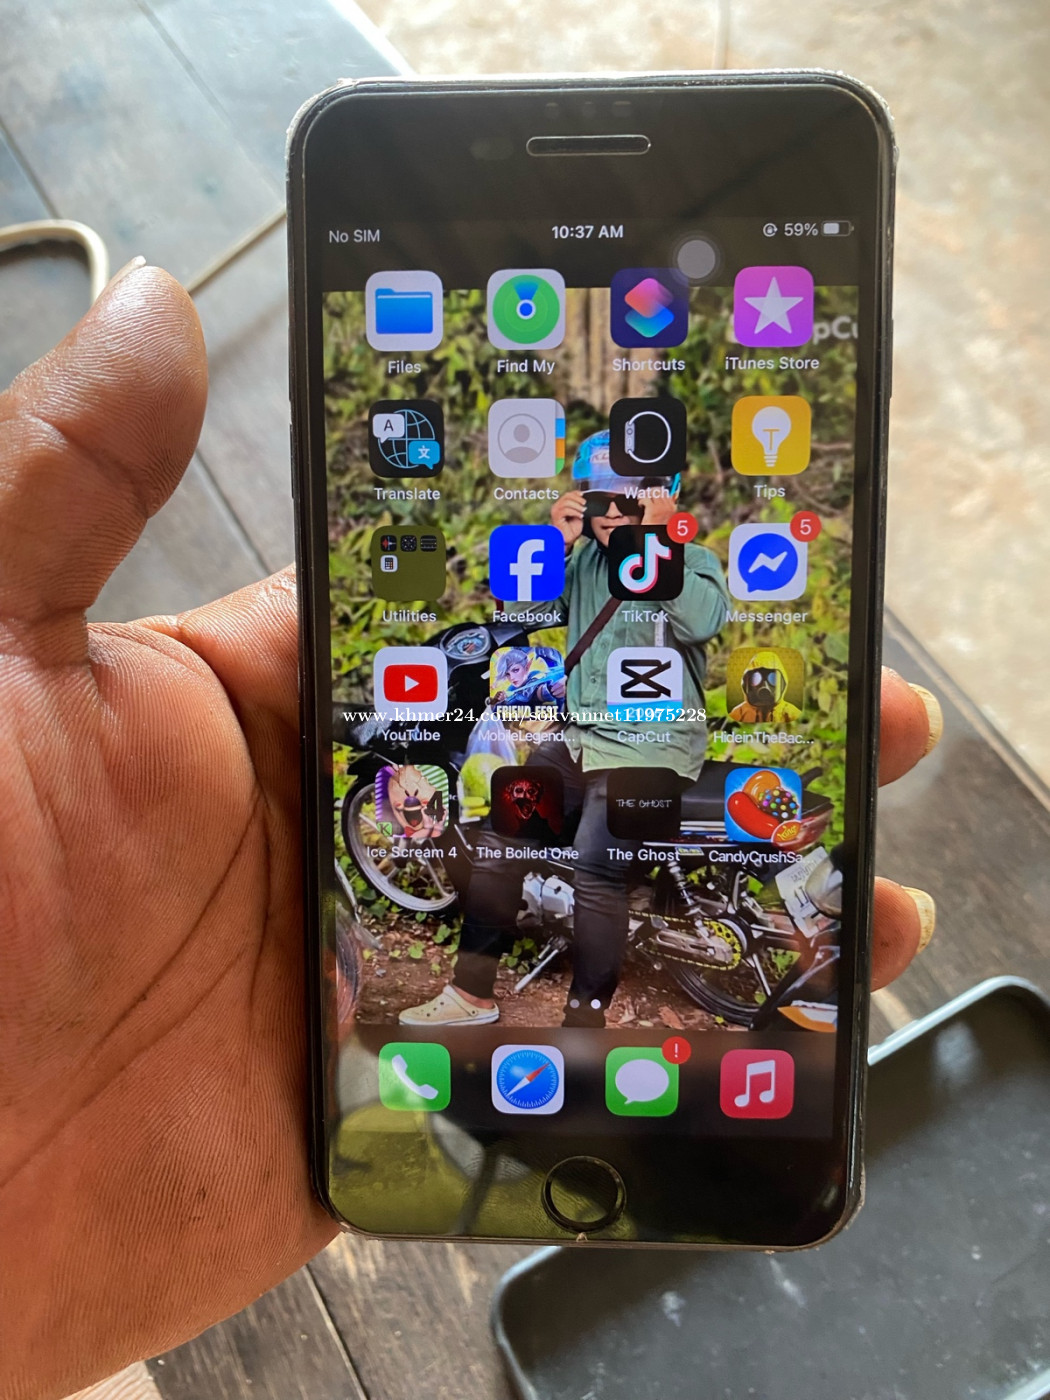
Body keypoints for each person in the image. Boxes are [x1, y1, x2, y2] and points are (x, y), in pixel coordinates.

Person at [0, 262, 939, 1400]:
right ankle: (478, 985)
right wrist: (519, 613)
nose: (608, 512)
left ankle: (588, 1016)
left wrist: (652, 550)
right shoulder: (578, 560)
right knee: (499, 832)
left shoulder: (680, 569)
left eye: (626, 498)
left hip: (652, 751)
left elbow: (703, 614)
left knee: (597, 865)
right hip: (578, 736)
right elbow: (528, 620)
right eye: (596, 499)